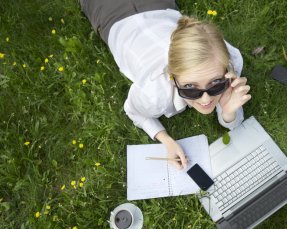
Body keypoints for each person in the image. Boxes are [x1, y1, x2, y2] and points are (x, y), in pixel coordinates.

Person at [80, 0, 251, 169]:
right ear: (172, 77)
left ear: (226, 68)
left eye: (215, 83)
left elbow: (234, 121)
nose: (206, 99)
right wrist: (166, 140)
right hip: (111, 13)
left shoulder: (231, 59)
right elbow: (133, 110)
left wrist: (229, 110)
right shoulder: (154, 94)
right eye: (190, 87)